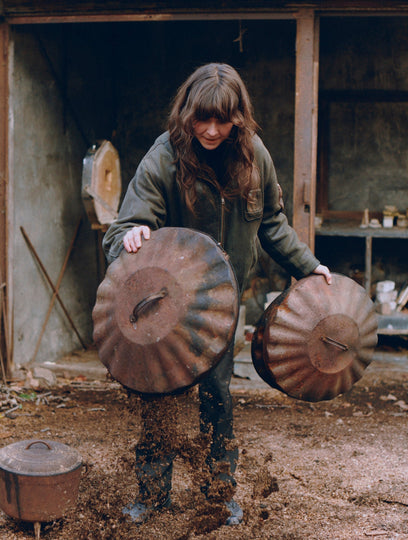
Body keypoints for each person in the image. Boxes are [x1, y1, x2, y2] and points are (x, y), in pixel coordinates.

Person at [102, 63, 331, 525]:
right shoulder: (164, 157)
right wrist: (132, 235)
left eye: (221, 121)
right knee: (158, 398)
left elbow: (271, 225)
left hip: (221, 306)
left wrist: (309, 268)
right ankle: (151, 494)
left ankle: (219, 491)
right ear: (187, 114)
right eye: (201, 119)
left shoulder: (254, 157)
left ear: (238, 118)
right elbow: (122, 230)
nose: (210, 130)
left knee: (217, 397)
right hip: (165, 307)